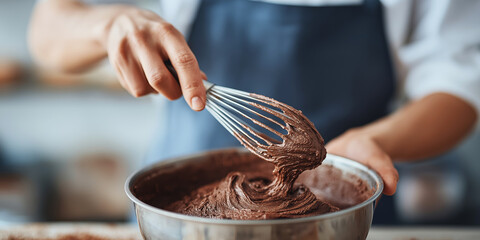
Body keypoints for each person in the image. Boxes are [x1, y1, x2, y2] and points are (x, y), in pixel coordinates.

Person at [28, 0, 479, 200]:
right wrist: (108, 25)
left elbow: (460, 87)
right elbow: (48, 29)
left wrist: (371, 141)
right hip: (184, 203)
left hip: (342, 194)